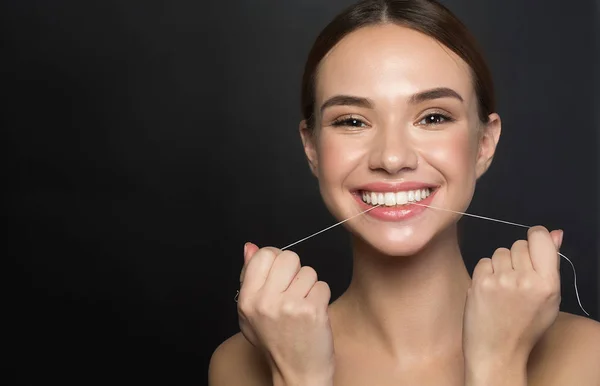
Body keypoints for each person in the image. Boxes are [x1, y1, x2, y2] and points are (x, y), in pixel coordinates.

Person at [209, 0, 600, 385]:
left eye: (433, 117)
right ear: (311, 147)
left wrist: (498, 362)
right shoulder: (239, 366)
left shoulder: (588, 358)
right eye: (352, 121)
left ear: (485, 143)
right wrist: (297, 376)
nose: (392, 158)